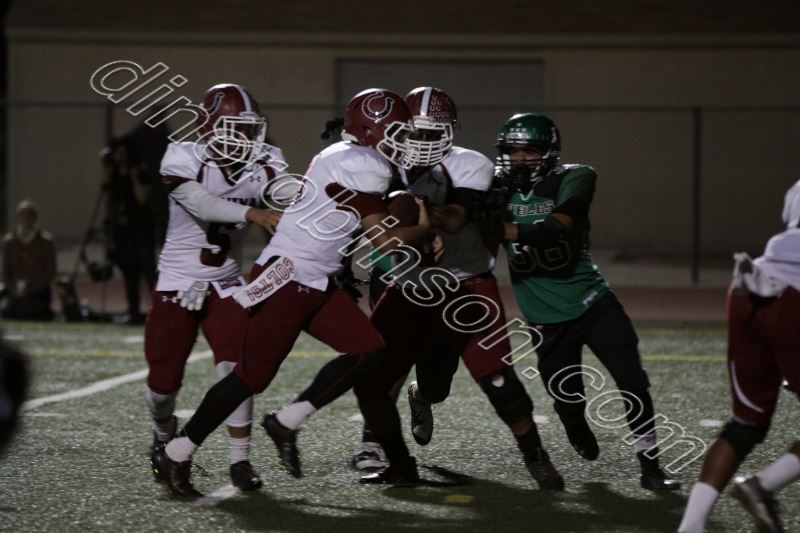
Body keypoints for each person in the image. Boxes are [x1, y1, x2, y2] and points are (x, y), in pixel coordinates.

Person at [152, 88, 432, 498]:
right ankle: (176, 452)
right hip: (287, 277)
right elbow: (385, 242)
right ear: (372, 130)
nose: (403, 142)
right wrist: (424, 226)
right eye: (397, 133)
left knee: (368, 349)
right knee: (250, 376)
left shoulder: (348, 155)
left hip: (316, 279)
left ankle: (286, 421)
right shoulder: (364, 164)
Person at [341, 87, 563, 490]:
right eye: (416, 132)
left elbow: (457, 217)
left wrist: (414, 211)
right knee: (376, 373)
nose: (423, 141)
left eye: (433, 132)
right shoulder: (382, 162)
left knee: (492, 379)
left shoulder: (469, 163)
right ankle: (383, 451)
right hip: (407, 283)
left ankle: (536, 457)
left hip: (464, 284)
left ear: (451, 131)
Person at [481, 113, 680, 491]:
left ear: (549, 152)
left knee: (633, 383)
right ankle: (574, 421)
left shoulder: (575, 176)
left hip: (593, 302)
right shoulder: (493, 187)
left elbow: (556, 228)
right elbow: (480, 248)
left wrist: (493, 225)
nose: (519, 158)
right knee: (568, 400)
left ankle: (652, 467)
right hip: (544, 316)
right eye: (512, 151)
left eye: (529, 150)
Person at [145, 83, 286, 491]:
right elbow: (203, 204)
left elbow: (288, 197)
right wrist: (254, 213)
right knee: (162, 386)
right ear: (209, 127)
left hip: (226, 282)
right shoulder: (183, 156)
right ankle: (163, 438)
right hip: (177, 282)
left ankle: (240, 461)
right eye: (234, 128)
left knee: (238, 370)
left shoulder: (264, 162)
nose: (245, 137)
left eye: (249, 129)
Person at [678, 180, 800, 533]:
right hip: (794, 295)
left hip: (750, 285)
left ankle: (691, 526)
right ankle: (761, 486)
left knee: (745, 423)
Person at [100, 136, 157, 323]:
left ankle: (159, 309)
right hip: (122, 231)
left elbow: (142, 198)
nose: (120, 157)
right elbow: (104, 187)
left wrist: (134, 178)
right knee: (129, 271)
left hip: (142, 229)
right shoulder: (114, 172)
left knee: (148, 270)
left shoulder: (140, 171)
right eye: (117, 153)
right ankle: (133, 310)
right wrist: (103, 164)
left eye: (123, 153)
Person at [1, 200, 56, 320]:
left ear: (35, 217)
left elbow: (50, 273)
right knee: (7, 310)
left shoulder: (45, 242)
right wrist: (13, 289)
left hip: (37, 292)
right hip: (14, 290)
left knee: (31, 309)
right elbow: (5, 272)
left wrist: (31, 290)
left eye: (29, 215)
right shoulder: (9, 242)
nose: (26, 218)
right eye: (23, 215)